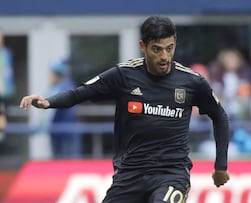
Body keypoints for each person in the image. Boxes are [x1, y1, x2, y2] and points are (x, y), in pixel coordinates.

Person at [20, 16, 230, 202]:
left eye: (170, 48)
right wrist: (48, 102)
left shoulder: (192, 81)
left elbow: (219, 116)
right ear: (143, 46)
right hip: (130, 173)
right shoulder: (124, 75)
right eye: (157, 49)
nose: (165, 56)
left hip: (171, 173)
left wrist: (221, 165)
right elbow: (80, 93)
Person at [46, 59, 82, 158]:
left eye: (51, 74)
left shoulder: (65, 88)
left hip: (66, 134)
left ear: (58, 75)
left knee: (67, 165)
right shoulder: (58, 88)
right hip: (59, 133)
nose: (50, 77)